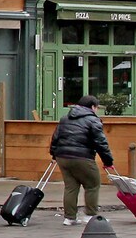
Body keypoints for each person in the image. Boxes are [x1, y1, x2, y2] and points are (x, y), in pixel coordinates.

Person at [49, 94, 115, 225]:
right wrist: (108, 161)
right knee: (92, 184)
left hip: (62, 157)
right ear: (92, 107)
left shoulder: (65, 118)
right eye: (96, 108)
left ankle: (69, 218)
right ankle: (90, 216)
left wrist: (54, 155)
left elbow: (55, 138)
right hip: (82, 157)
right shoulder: (93, 120)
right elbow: (101, 143)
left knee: (70, 187)